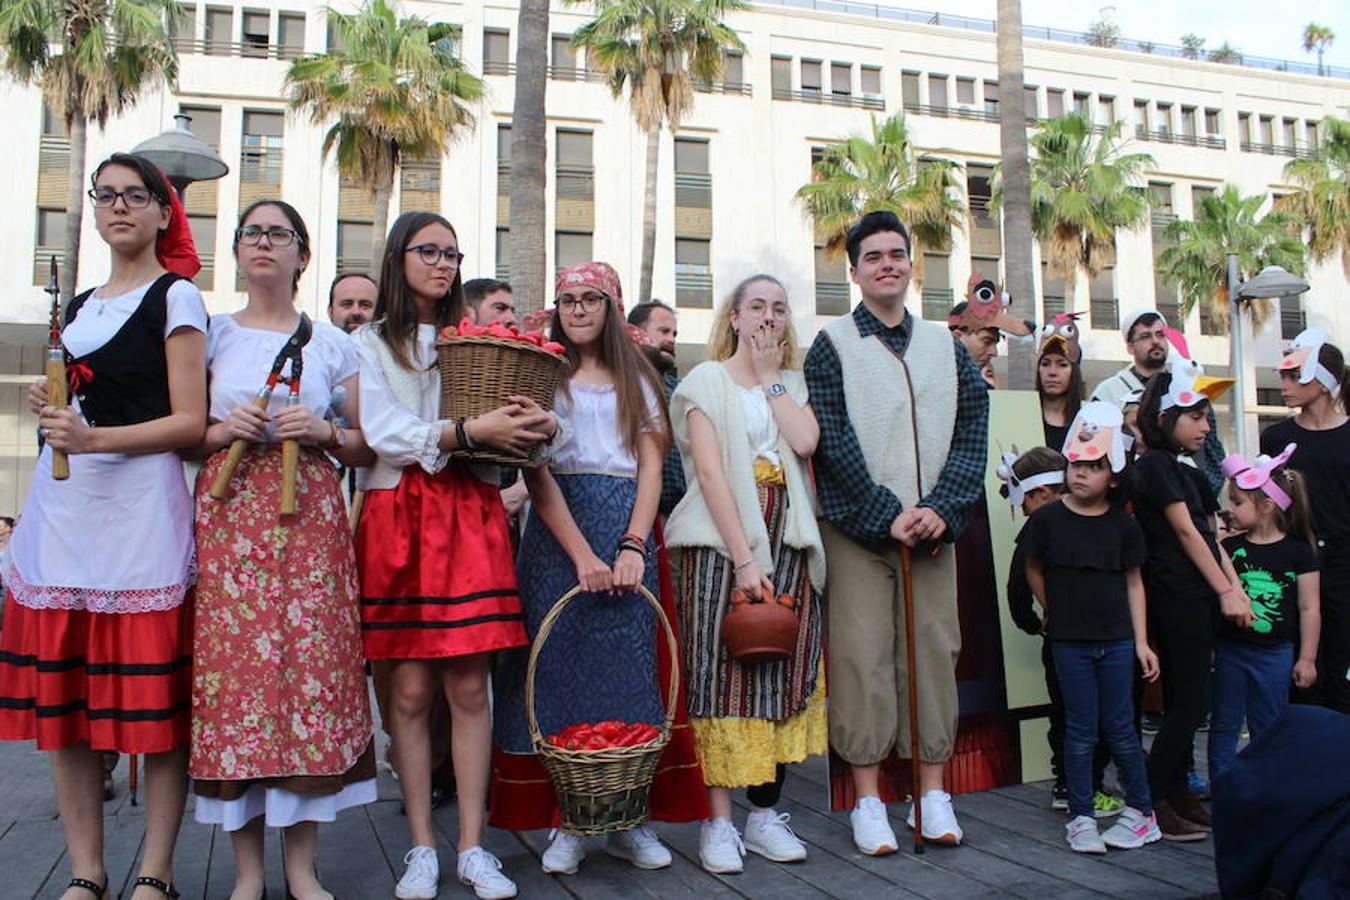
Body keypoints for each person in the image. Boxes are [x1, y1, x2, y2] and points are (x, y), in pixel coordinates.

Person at [0, 152, 208, 900]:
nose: (119, 206)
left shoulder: (177, 299)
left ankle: (155, 869)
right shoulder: (81, 304)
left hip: (140, 518)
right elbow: (81, 400)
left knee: (155, 709)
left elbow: (191, 421)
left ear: (162, 212)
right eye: (107, 195)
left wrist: (92, 440)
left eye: (136, 196)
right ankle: (85, 872)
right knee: (68, 709)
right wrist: (52, 406)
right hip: (66, 518)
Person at [355, 211, 554, 900]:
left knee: (471, 687)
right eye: (427, 250)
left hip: (467, 509)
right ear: (398, 256)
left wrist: (536, 420)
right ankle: (420, 845)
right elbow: (382, 434)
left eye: (451, 253)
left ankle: (472, 845)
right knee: (408, 692)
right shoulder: (368, 341)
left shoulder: (473, 340)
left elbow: (515, 419)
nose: (441, 263)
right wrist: (467, 429)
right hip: (396, 514)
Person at [490, 261, 707, 874]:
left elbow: (650, 465)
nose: (578, 309)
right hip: (557, 535)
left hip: (627, 526)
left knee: (632, 672)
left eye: (590, 299)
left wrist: (634, 544)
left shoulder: (637, 377)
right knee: (555, 667)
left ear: (611, 307)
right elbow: (538, 471)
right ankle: (570, 820)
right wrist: (582, 554)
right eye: (567, 299)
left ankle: (628, 819)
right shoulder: (543, 375)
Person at [189, 200, 376, 900]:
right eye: (252, 233)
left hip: (311, 522)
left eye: (279, 234)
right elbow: (180, 432)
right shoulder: (208, 334)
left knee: (310, 682)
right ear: (236, 250)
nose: (263, 243)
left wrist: (324, 432)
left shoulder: (334, 343)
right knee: (233, 686)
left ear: (302, 255)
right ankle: (245, 874)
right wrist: (218, 427)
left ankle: (302, 870)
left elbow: (367, 439)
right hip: (231, 517)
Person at [804, 211, 989, 853]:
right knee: (861, 659)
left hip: (933, 532)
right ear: (853, 271)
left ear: (912, 265)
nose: (888, 263)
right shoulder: (831, 345)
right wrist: (887, 513)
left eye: (897, 254)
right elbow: (833, 441)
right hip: (859, 533)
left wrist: (940, 507)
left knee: (935, 654)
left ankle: (932, 794)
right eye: (873, 256)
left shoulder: (946, 346)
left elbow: (971, 432)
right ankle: (869, 799)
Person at [665, 275, 826, 873]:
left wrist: (771, 375)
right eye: (756, 306)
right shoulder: (706, 380)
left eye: (779, 309)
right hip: (721, 538)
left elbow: (806, 441)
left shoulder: (789, 383)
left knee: (781, 665)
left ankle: (763, 815)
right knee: (719, 674)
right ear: (733, 316)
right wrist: (743, 558)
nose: (767, 317)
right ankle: (718, 822)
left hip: (788, 532)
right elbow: (708, 474)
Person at [1024, 402, 1161, 853]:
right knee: (1079, 731)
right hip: (1070, 645)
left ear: (1114, 475)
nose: (1081, 472)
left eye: (1094, 466)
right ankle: (1081, 817)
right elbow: (1034, 569)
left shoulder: (1124, 526)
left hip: (1118, 643)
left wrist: (1141, 642)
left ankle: (1143, 813)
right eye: (1076, 464)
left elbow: (1135, 582)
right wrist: (1054, 610)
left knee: (1122, 728)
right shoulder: (1046, 520)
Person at [1132, 349, 1251, 842]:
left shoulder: (1192, 474)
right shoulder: (1154, 467)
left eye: (1208, 415)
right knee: (1187, 704)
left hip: (1201, 596)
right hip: (1175, 595)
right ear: (1166, 418)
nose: (1207, 425)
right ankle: (1152, 799)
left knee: (1190, 701)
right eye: (1197, 415)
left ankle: (1178, 793)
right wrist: (1226, 590)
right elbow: (1184, 534)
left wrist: (1236, 591)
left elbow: (1210, 537)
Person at [1209, 445, 1320, 782]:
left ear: (1268, 506)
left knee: (1268, 724)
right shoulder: (1230, 548)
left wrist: (1307, 658)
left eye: (1238, 502)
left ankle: (1266, 787)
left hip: (1275, 654)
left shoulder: (1298, 553)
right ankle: (1224, 787)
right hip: (1232, 649)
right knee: (1225, 722)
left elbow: (1309, 605)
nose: (1231, 509)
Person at [1261, 328, 1350, 714]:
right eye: (1282, 374)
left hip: (1345, 564)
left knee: (1341, 663)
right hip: (1295, 561)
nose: (1284, 384)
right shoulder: (1275, 437)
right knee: (1299, 667)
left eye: (1295, 375)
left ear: (1324, 380)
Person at [1090, 310, 1226, 498]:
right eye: (1145, 336)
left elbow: (1210, 448)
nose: (1155, 341)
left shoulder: (1188, 386)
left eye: (1160, 334)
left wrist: (1203, 494)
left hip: (1183, 490)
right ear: (1130, 347)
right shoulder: (1108, 391)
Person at [628, 300, 685, 516]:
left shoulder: (682, 392)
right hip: (630, 512)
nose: (671, 340)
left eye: (675, 334)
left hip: (676, 519)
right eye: (664, 331)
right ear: (635, 333)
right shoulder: (616, 386)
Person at [1035, 313, 1086, 450]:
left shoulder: (1088, 420)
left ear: (1074, 371)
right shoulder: (1023, 414)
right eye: (1045, 364)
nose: (1052, 372)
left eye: (1062, 365)